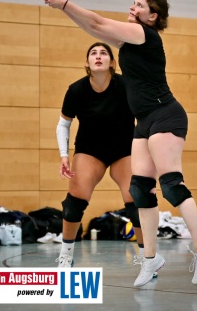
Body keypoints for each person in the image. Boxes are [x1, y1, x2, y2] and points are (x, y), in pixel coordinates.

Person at [37, 0, 197, 286]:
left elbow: (96, 22)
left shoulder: (142, 34)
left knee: (171, 185)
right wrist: (65, 11)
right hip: (145, 122)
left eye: (139, 5)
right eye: (133, 2)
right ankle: (150, 259)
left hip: (166, 115)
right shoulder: (128, 40)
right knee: (139, 190)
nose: (132, 7)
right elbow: (90, 28)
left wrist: (66, 3)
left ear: (153, 15)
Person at [54, 41, 144, 268]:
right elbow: (63, 124)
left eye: (104, 53)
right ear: (87, 62)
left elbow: (145, 116)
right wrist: (64, 155)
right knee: (74, 202)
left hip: (124, 149)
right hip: (90, 149)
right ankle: (66, 255)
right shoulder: (76, 90)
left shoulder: (126, 85)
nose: (98, 56)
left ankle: (147, 258)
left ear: (112, 63)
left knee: (137, 200)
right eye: (93, 53)